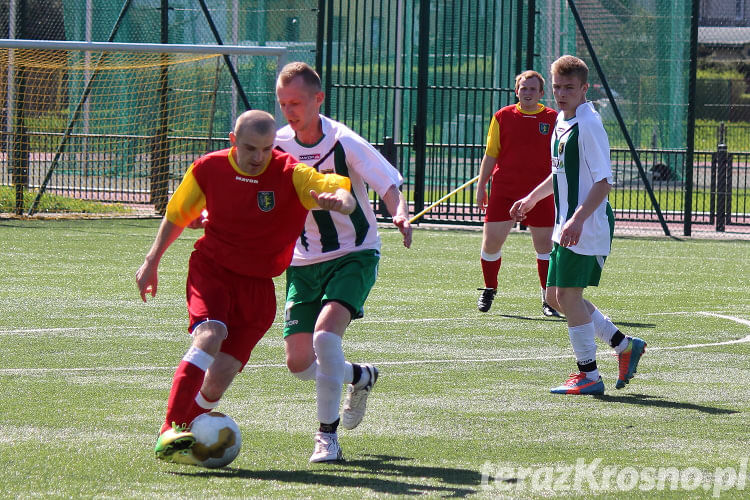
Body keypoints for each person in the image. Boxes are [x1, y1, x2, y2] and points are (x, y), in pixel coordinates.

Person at [135, 109, 355, 464]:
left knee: (219, 377)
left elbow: (341, 193)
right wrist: (151, 261)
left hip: (258, 288)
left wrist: (340, 202)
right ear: (233, 141)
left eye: (267, 149)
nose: (259, 158)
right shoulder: (209, 168)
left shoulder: (290, 173)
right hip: (213, 270)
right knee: (210, 334)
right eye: (251, 148)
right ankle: (169, 428)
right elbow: (177, 215)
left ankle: (186, 434)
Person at [274, 62, 412, 462]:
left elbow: (388, 184)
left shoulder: (344, 141)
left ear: (318, 99)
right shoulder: (279, 143)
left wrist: (400, 213)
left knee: (324, 337)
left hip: (355, 254)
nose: (289, 110)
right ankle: (360, 376)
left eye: (296, 102)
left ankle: (327, 437)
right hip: (303, 262)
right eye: (283, 103)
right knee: (299, 363)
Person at [510, 56, 646, 395]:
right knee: (556, 297)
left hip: (586, 224)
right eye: (556, 87)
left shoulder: (589, 124)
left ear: (584, 89)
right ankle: (623, 345)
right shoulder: (560, 120)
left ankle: (588, 374)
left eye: (569, 87)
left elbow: (603, 183)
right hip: (565, 223)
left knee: (568, 295)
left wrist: (576, 219)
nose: (561, 93)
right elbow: (560, 173)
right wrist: (531, 198)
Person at [475, 70, 562, 318]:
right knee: (491, 242)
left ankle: (548, 299)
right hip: (505, 189)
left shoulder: (553, 118)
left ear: (542, 93)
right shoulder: (503, 116)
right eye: (524, 88)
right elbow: (491, 154)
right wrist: (482, 186)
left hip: (540, 192)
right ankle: (490, 287)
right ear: (517, 91)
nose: (528, 93)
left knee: (544, 246)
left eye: (533, 89)